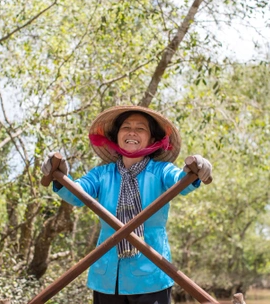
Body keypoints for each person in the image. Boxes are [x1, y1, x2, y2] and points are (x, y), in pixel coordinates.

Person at [41, 105, 212, 304]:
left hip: (152, 272)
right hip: (106, 275)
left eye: (140, 128)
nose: (132, 132)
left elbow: (180, 181)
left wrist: (195, 168)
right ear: (117, 137)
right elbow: (77, 194)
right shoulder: (102, 174)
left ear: (152, 140)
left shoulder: (160, 170)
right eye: (126, 127)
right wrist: (61, 175)